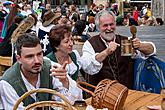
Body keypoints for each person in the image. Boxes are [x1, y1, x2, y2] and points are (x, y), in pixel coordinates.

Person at [0, 33, 82, 109]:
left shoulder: (50, 67)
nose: (37, 61)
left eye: (39, 54)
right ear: (19, 59)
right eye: (30, 56)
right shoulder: (8, 82)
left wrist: (65, 82)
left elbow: (75, 100)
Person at [81, 10, 156, 89]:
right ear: (98, 27)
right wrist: (106, 52)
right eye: (105, 25)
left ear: (115, 24)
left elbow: (152, 50)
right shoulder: (90, 44)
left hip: (125, 93)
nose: (109, 28)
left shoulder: (125, 41)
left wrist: (140, 46)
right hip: (100, 96)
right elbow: (86, 66)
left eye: (111, 24)